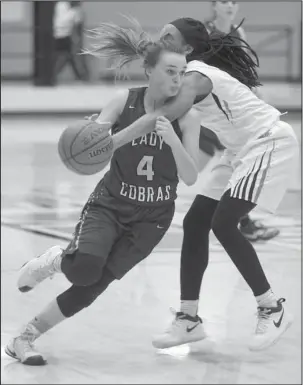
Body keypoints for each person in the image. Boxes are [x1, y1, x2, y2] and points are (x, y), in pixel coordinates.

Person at [5, 25, 201, 365]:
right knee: (83, 270)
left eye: (182, 73)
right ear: (149, 71)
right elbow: (95, 144)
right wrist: (93, 133)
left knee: (93, 286)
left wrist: (171, 140)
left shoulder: (188, 117)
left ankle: (25, 337)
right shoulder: (124, 100)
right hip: (110, 204)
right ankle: (55, 260)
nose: (177, 80)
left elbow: (191, 177)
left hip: (152, 220)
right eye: (170, 71)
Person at [98, 18, 297, 352]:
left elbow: (163, 115)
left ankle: (271, 307)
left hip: (268, 142)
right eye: (161, 33)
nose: (161, 38)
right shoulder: (178, 68)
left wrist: (108, 141)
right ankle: (188, 319)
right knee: (195, 224)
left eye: (168, 36)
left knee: (224, 223)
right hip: (238, 150)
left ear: (187, 49)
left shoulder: (198, 76)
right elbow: (154, 62)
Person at [200, 0, 280, 242]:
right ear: (213, 5)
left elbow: (246, 71)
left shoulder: (238, 31)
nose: (230, 6)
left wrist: (257, 95)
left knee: (240, 160)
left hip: (234, 106)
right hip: (212, 104)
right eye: (224, 1)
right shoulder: (204, 32)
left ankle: (239, 220)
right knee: (201, 164)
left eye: (234, 1)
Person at [53, 1, 87, 82]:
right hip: (56, 35)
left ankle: (81, 76)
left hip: (66, 36)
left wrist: (77, 39)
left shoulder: (77, 11)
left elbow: (77, 27)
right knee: (65, 56)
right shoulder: (61, 5)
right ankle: (81, 76)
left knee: (67, 55)